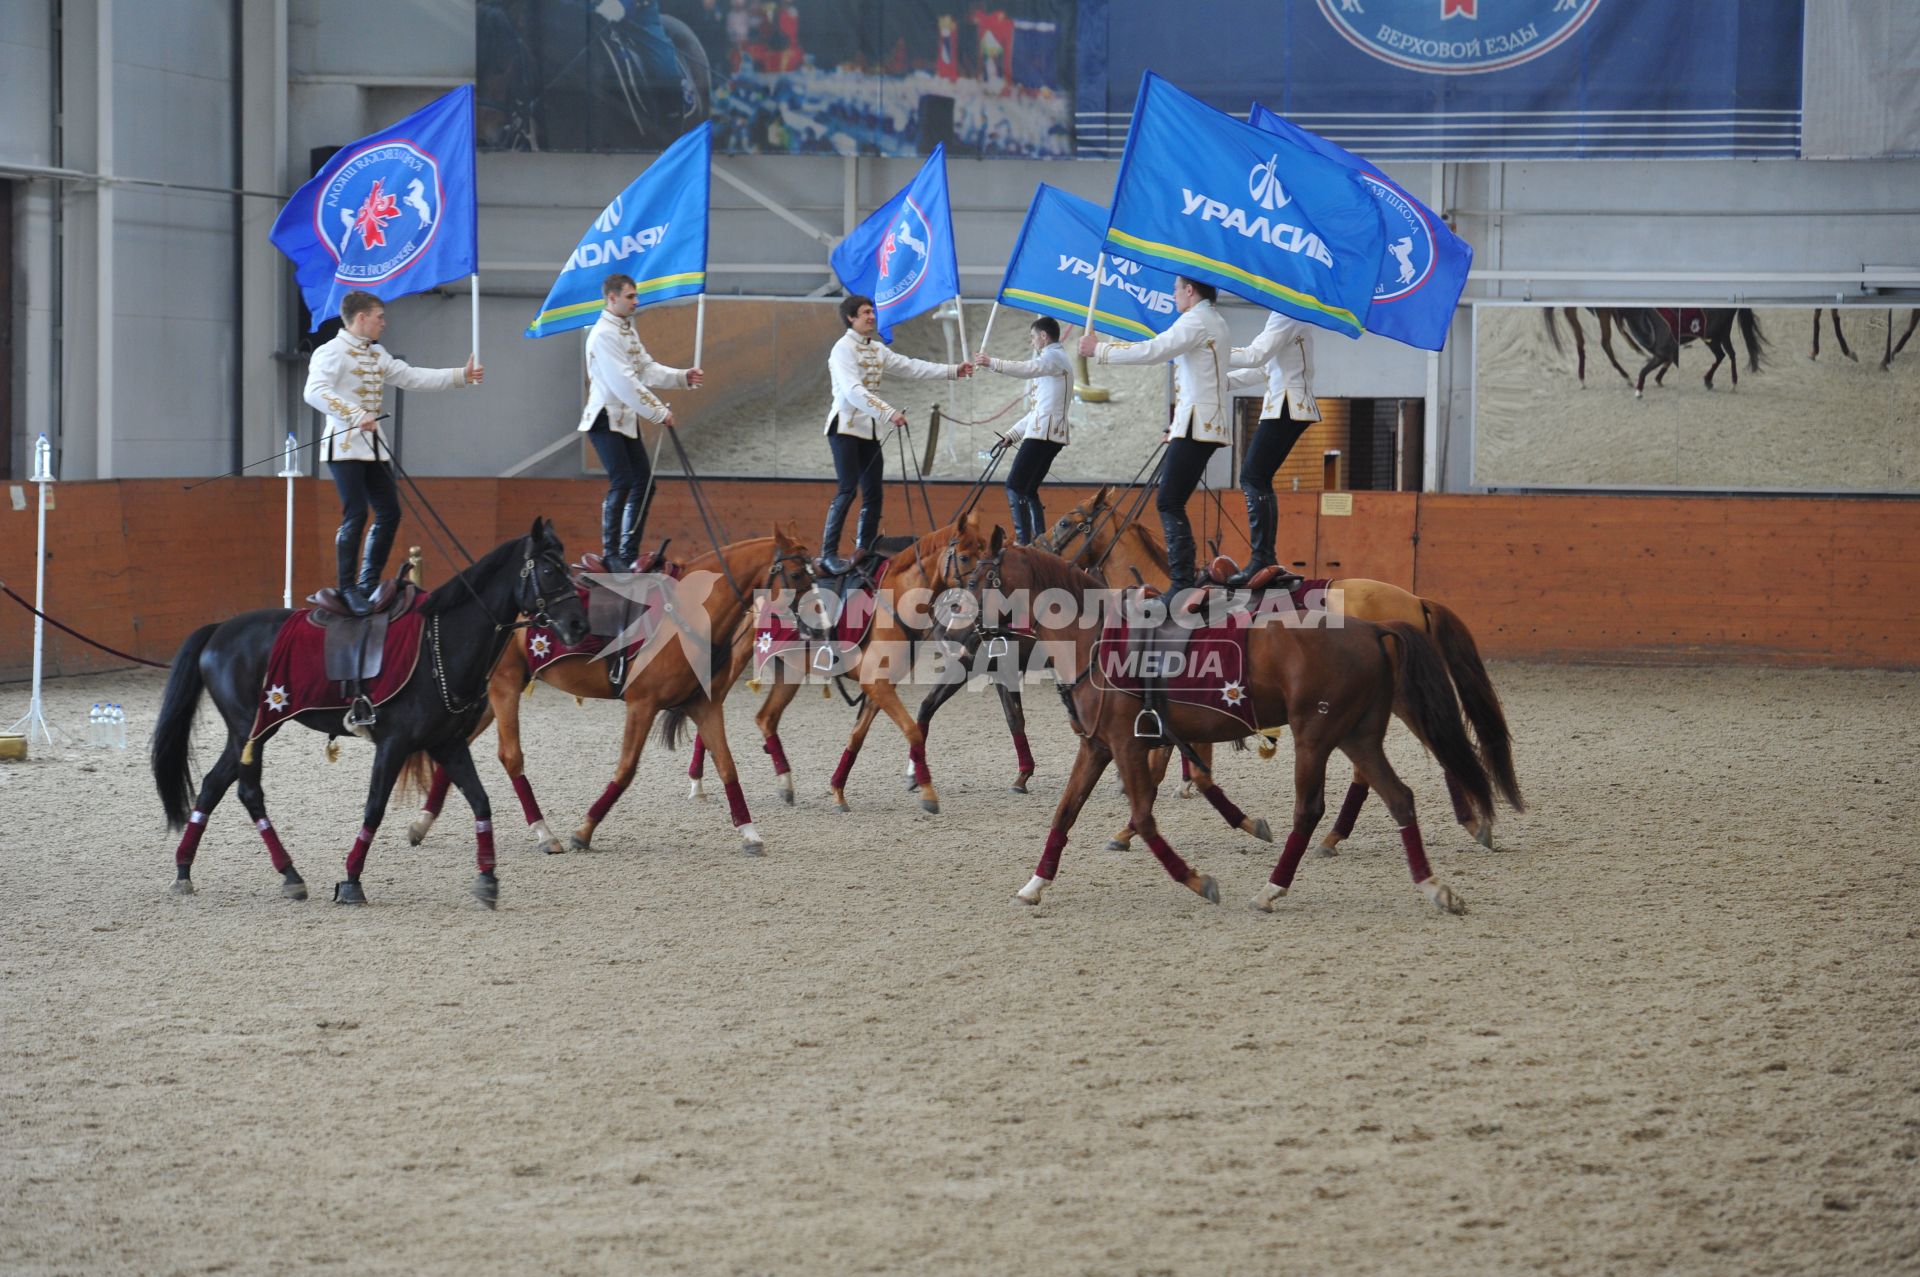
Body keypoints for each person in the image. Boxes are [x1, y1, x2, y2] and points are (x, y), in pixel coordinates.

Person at [303, 290, 482, 614]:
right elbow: (314, 391)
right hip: (344, 446)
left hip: (374, 447)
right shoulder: (332, 352)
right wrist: (355, 414)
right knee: (356, 512)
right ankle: (347, 588)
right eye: (379, 317)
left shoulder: (377, 354)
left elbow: (411, 377)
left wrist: (460, 375)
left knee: (390, 512)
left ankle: (367, 583)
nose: (384, 323)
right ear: (360, 318)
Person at [1079, 275, 1230, 593]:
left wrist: (1100, 350)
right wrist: (1176, 428)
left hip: (1197, 427)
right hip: (1198, 425)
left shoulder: (1196, 320)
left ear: (1190, 290)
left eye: (1176, 289)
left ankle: (1181, 582)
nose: (1173, 295)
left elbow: (1153, 350)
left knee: (1168, 502)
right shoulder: (1212, 320)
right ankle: (1183, 579)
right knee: (1172, 501)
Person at [818, 294, 972, 573]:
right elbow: (853, 391)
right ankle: (828, 552)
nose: (872, 317)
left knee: (874, 492)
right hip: (845, 427)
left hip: (869, 429)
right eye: (865, 312)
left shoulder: (877, 349)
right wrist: (888, 412)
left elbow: (911, 366)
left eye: (872, 312)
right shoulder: (842, 349)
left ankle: (864, 547)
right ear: (851, 318)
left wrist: (953, 371)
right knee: (847, 489)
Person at [577, 272, 704, 572]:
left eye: (636, 296)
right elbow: (623, 382)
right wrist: (658, 412)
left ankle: (627, 550)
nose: (637, 301)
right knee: (622, 480)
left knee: (645, 484)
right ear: (612, 298)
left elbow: (645, 368)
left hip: (625, 419)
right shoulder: (604, 334)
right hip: (605, 417)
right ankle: (611, 554)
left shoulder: (625, 331)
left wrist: (681, 377)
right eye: (630, 296)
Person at [1223, 311, 1319, 589]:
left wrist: (1210, 350)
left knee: (1252, 477)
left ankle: (1262, 557)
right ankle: (1263, 556)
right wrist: (1220, 382)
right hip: (1289, 403)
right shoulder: (1287, 314)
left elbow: (1255, 355)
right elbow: (1263, 369)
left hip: (1287, 404)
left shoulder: (1285, 313)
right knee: (1257, 478)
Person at [971, 316, 1072, 545]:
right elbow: (1039, 410)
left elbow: (1026, 369)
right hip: (1050, 434)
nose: (1032, 343)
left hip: (1042, 434)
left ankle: (1024, 541)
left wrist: (991, 362)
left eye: (1033, 337)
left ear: (1044, 337)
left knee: (1014, 485)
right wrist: (1012, 434)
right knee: (1028, 489)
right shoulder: (1057, 359)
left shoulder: (1052, 356)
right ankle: (1038, 539)